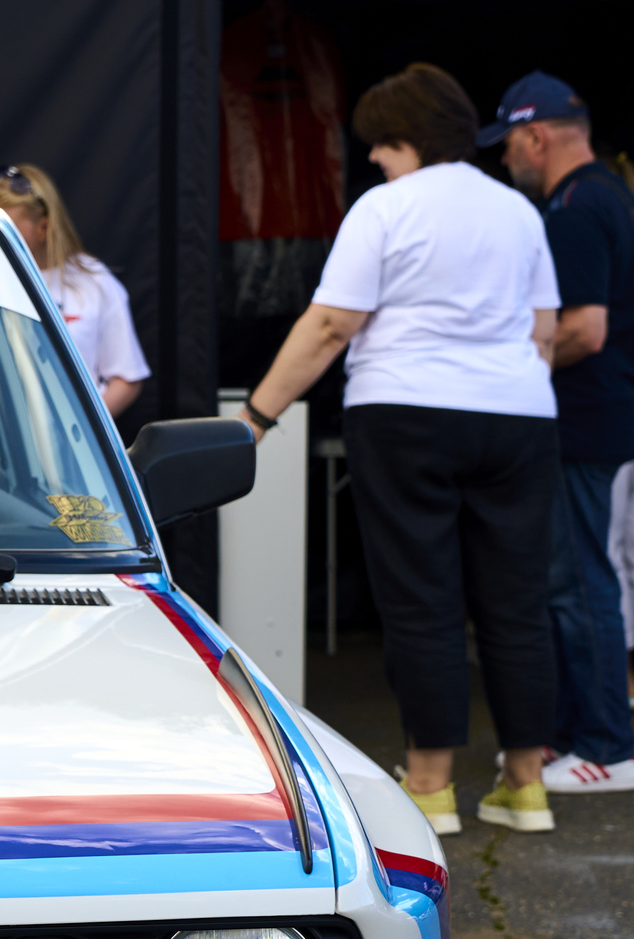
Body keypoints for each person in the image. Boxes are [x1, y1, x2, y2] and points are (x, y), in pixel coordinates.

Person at [239, 62, 559, 839]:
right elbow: (544, 330)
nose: (376, 158)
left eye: (380, 143)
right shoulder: (519, 210)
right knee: (517, 601)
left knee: (423, 600)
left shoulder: (385, 208)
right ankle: (527, 788)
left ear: (406, 137)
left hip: (406, 412)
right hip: (518, 416)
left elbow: (330, 325)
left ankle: (429, 788)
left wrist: (255, 416)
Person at [486, 70, 634, 794]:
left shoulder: (575, 207)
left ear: (536, 135)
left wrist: (513, 370)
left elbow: (584, 329)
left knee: (580, 582)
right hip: (596, 421)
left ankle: (609, 747)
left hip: (585, 424)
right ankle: (575, 736)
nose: (505, 156)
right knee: (570, 580)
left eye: (509, 141)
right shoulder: (604, 194)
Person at [0, 163, 150, 418]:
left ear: (44, 227)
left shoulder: (93, 282)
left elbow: (127, 377)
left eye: (10, 230)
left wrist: (82, 429)